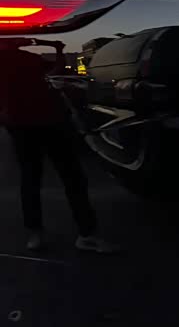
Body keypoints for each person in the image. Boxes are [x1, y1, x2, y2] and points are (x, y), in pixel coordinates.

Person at [0, 38, 117, 253]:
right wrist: (57, 49)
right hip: (36, 123)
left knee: (46, 178)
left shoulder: (30, 58)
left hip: (42, 122)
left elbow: (56, 73)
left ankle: (52, 232)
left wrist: (57, 50)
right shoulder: (23, 59)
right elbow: (57, 72)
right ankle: (81, 233)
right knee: (57, 178)